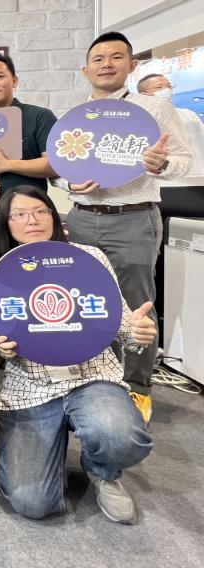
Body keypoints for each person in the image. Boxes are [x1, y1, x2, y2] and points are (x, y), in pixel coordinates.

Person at [0, 186, 154, 523]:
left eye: (40, 211)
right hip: (31, 388)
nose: (32, 220)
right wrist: (2, 347)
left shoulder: (89, 257)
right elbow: (3, 334)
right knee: (32, 503)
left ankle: (102, 471)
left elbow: (121, 325)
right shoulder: (1, 268)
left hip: (92, 377)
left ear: (54, 216)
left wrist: (136, 333)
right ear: (7, 224)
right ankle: (50, 444)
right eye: (19, 214)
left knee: (122, 438)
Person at [60, 32, 192, 423]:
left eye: (117, 57)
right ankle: (94, 378)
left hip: (134, 217)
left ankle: (137, 388)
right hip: (82, 217)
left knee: (137, 305)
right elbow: (59, 169)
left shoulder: (153, 109)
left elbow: (183, 160)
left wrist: (161, 164)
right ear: (85, 70)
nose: (106, 64)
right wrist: (69, 184)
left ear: (132, 66)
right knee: (87, 302)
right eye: (98, 58)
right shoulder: (75, 116)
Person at [0, 54, 58, 376]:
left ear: (14, 80)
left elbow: (54, 163)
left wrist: (9, 165)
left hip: (29, 221)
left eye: (0, 76)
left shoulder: (38, 117)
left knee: (30, 282)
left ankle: (34, 343)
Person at [138, 73, 204, 176]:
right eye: (159, 87)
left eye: (169, 86)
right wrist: (164, 166)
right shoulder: (141, 121)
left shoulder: (188, 114)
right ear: (144, 95)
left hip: (197, 172)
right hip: (165, 176)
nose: (167, 90)